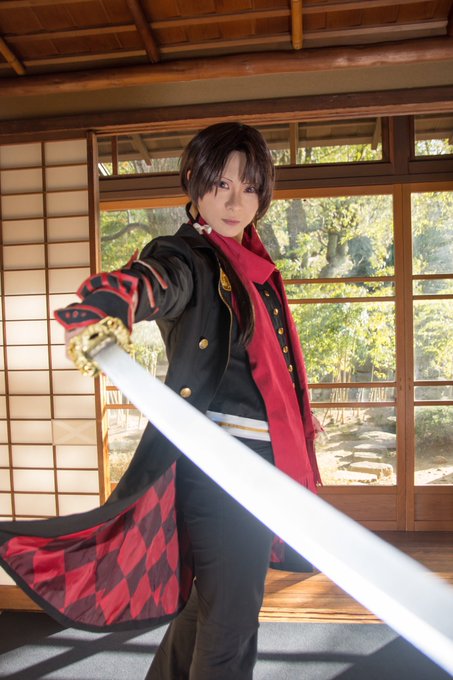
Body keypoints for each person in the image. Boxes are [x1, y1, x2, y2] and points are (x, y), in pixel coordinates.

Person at [0, 122, 321, 680]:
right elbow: (151, 281)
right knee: (233, 621)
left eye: (248, 187)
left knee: (210, 605)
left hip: (259, 466)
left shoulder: (253, 266)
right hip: (222, 468)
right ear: (194, 182)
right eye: (221, 184)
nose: (235, 202)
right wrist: (108, 305)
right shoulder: (188, 255)